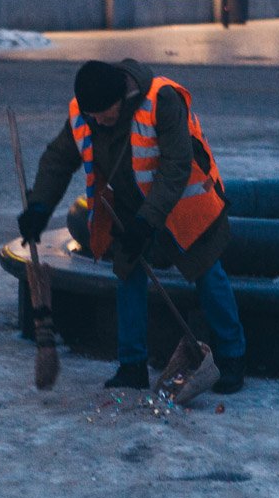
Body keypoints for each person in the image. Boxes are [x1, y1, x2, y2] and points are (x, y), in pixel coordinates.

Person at [16, 59, 247, 394]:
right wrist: (39, 206)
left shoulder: (162, 101)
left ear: (122, 98)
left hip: (185, 204)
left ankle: (232, 358)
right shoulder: (85, 113)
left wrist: (146, 223)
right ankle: (132, 365)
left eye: (104, 113)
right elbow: (58, 159)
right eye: (92, 115)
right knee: (127, 275)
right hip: (127, 207)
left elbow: (176, 167)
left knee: (208, 274)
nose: (98, 121)